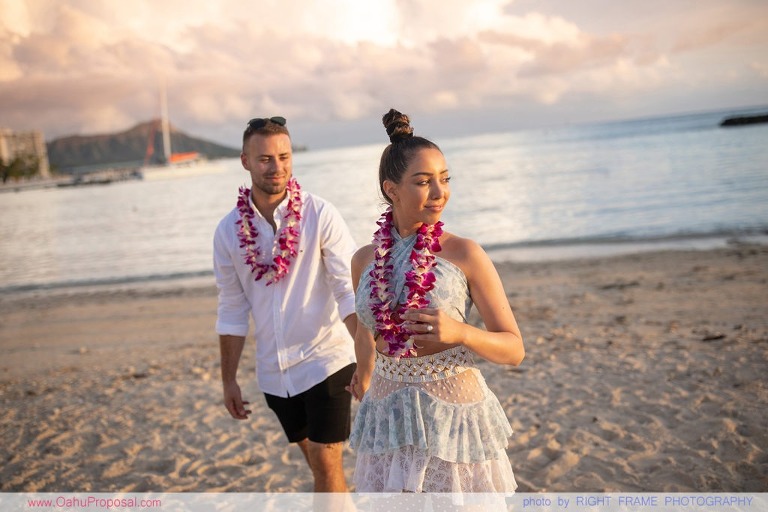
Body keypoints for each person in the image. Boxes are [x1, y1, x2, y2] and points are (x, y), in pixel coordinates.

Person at [347, 109, 525, 495]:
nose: (440, 192)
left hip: (455, 421)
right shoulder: (364, 259)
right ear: (391, 189)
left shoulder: (464, 254)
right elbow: (365, 328)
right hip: (387, 422)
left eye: (445, 180)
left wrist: (462, 332)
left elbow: (514, 349)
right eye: (424, 182)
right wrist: (363, 371)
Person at [214, 116, 358, 492]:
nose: (276, 167)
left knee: (327, 467)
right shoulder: (228, 232)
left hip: (327, 361)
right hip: (274, 375)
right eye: (265, 159)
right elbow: (231, 308)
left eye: (284, 156)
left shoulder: (320, 214)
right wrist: (228, 378)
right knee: (321, 468)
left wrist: (369, 354)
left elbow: (347, 289)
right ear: (245, 160)